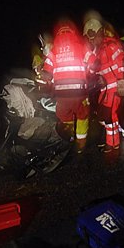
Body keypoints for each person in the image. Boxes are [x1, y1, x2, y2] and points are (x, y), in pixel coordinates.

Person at [41, 19, 95, 154]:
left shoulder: (53, 49)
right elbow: (94, 63)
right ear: (73, 31)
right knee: (82, 117)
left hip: (61, 94)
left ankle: (68, 143)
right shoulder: (81, 45)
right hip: (79, 92)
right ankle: (80, 147)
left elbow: (46, 73)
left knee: (65, 118)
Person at [83, 17, 124, 153]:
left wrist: (121, 83)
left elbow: (121, 63)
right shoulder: (97, 51)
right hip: (106, 88)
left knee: (110, 117)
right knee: (105, 116)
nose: (90, 40)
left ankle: (112, 144)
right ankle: (112, 143)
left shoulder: (111, 46)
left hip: (113, 88)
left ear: (99, 33)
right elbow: (94, 70)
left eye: (92, 37)